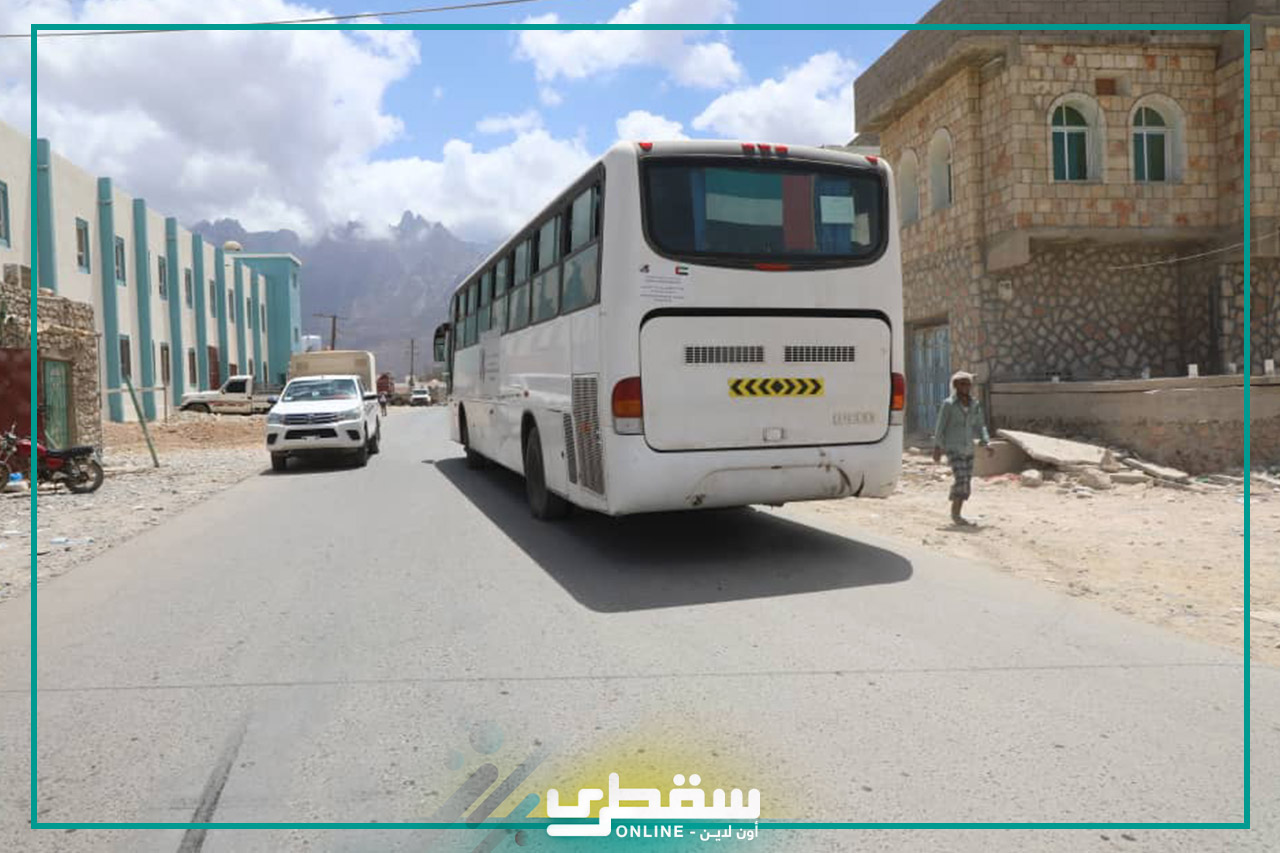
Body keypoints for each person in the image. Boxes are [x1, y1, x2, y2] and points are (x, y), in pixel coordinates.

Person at [931, 370, 994, 527]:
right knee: (961, 479)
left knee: (967, 482)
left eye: (968, 384)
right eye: (962, 384)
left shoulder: (974, 405)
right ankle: (956, 514)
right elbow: (940, 427)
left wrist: (986, 442)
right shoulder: (948, 404)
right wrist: (937, 447)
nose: (966, 387)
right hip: (953, 447)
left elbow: (980, 425)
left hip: (968, 449)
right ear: (956, 385)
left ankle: (957, 507)